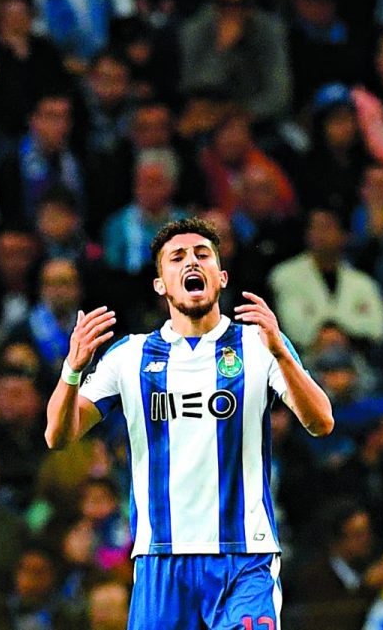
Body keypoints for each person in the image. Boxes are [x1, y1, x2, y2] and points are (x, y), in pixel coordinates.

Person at [43, 216, 335, 630]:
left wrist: (282, 353)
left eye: (202, 254)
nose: (191, 263)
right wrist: (72, 370)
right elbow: (58, 434)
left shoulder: (258, 343)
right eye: (176, 257)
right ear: (161, 283)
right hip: (161, 558)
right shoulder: (131, 355)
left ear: (221, 276)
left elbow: (321, 422)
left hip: (243, 557)